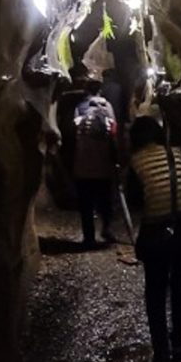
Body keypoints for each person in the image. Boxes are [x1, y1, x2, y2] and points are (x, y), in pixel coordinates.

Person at [127, 115, 181, 362]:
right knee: (180, 285)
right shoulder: (176, 154)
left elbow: (135, 201)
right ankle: (178, 341)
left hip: (156, 229)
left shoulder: (136, 161)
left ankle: (161, 354)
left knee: (155, 292)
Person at [72, 82, 119, 247]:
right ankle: (107, 229)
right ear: (100, 91)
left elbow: (74, 132)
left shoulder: (80, 107)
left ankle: (89, 237)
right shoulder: (108, 108)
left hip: (83, 164)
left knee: (86, 203)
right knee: (105, 200)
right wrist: (116, 157)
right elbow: (113, 132)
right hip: (103, 164)